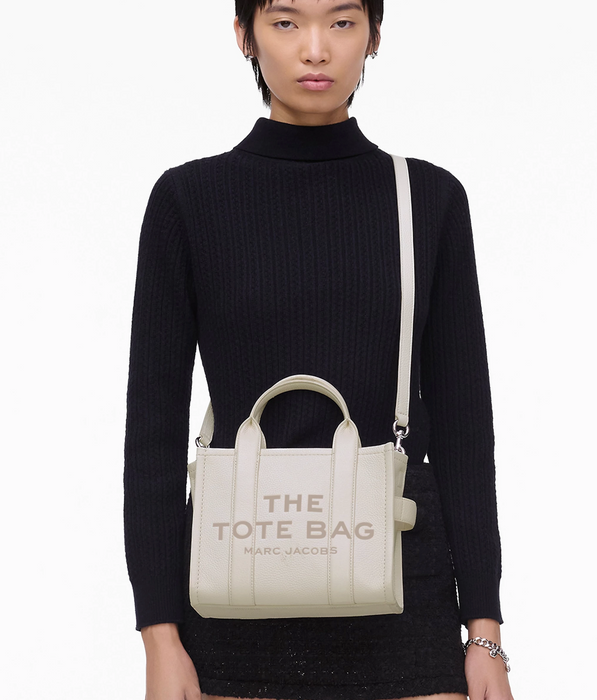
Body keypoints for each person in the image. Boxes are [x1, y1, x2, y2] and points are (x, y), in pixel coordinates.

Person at [123, 1, 515, 699]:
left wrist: (483, 631)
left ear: (373, 36)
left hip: (403, 592)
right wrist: (160, 637)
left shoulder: (427, 199)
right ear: (244, 35)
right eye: (285, 22)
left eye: (341, 22)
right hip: (232, 590)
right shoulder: (189, 199)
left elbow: (464, 428)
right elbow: (151, 432)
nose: (315, 49)